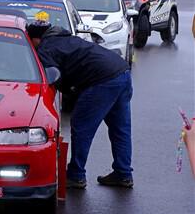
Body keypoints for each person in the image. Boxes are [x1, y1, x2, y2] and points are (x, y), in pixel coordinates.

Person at [27, 19, 133, 189]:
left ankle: (76, 175)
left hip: (101, 80)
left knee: (81, 126)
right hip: (122, 71)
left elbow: (53, 76)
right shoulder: (67, 38)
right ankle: (123, 173)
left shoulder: (45, 48)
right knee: (120, 129)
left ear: (35, 39)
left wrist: (69, 91)